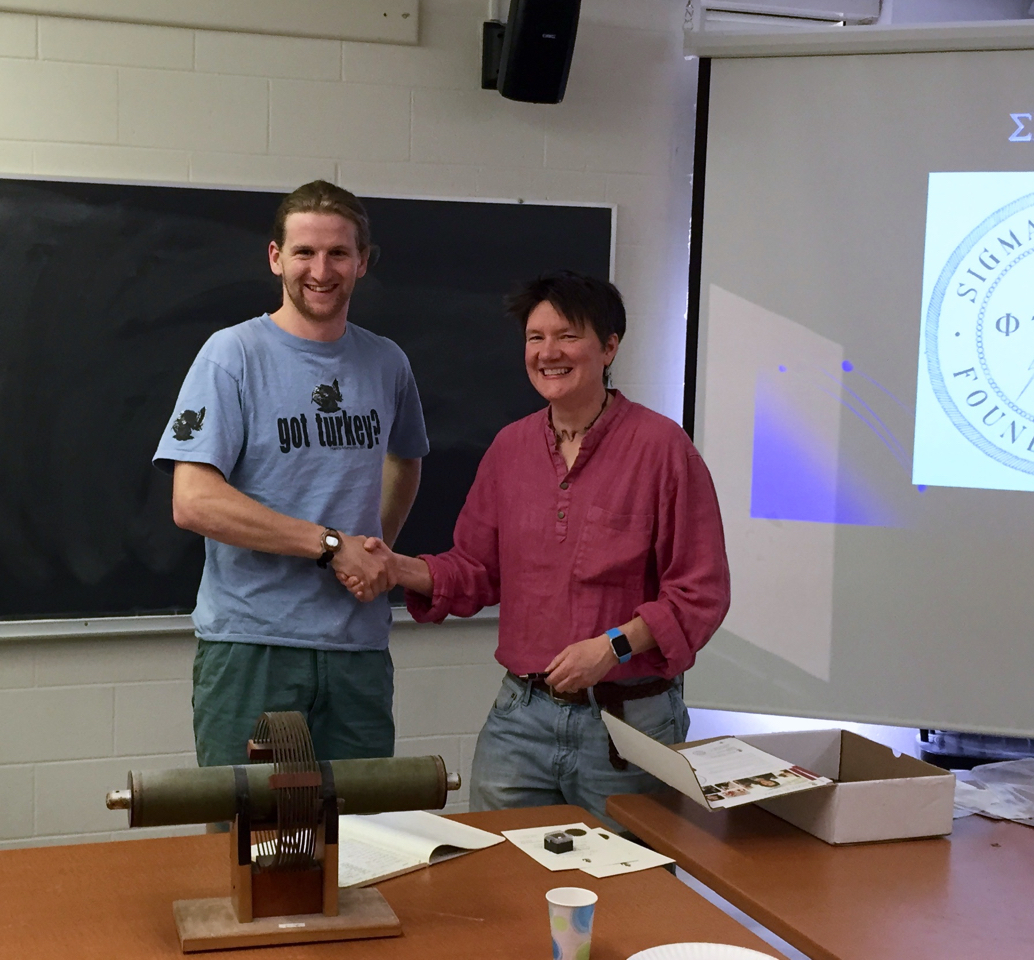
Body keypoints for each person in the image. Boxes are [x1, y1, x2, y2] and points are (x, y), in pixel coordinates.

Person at [340, 271, 730, 828]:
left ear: (610, 347)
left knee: (630, 878)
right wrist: (398, 567)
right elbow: (476, 570)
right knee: (496, 868)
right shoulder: (510, 448)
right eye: (535, 338)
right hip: (521, 718)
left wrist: (613, 646)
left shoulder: (663, 448)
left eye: (567, 336)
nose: (549, 353)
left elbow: (700, 592)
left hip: (627, 725)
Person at [153, 180, 428, 767]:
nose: (321, 271)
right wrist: (331, 546)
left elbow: (405, 459)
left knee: (364, 820)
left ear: (362, 262)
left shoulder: (387, 362)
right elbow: (194, 501)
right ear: (276, 257)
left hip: (357, 649)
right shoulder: (231, 355)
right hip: (253, 646)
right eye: (305, 252)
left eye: (338, 253)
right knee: (250, 820)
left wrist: (371, 551)